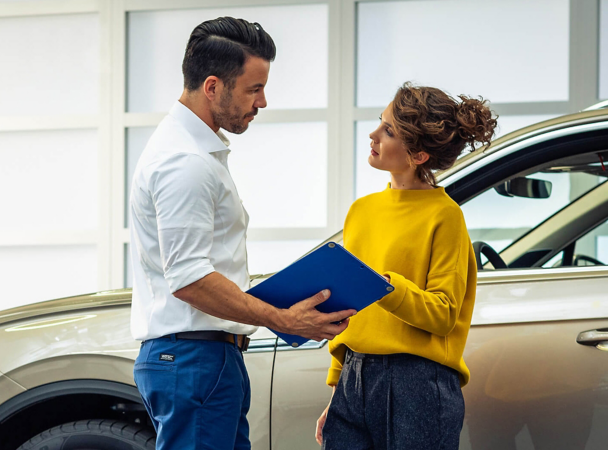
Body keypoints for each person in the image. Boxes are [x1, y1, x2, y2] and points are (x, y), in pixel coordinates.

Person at [129, 17, 356, 450]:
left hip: (208, 358)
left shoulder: (195, 152)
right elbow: (190, 279)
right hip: (195, 358)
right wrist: (284, 320)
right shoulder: (186, 162)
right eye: (254, 89)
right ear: (212, 87)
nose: (263, 102)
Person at [315, 82, 498, 450]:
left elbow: (444, 314)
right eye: (379, 123)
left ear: (419, 156)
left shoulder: (446, 217)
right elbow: (351, 311)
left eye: (389, 130)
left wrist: (386, 286)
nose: (373, 134)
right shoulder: (361, 211)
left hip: (419, 386)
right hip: (354, 376)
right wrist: (337, 389)